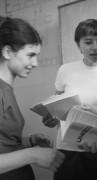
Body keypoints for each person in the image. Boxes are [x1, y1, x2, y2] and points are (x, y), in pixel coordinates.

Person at [42, 19, 97, 180]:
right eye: (88, 42)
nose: (95, 47)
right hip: (67, 149)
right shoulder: (65, 71)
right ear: (78, 45)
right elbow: (56, 106)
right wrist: (52, 118)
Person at [0, 16, 65, 180]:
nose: (35, 63)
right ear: (7, 52)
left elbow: (4, 145)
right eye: (30, 55)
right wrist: (33, 155)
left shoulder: (6, 89)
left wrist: (31, 140)